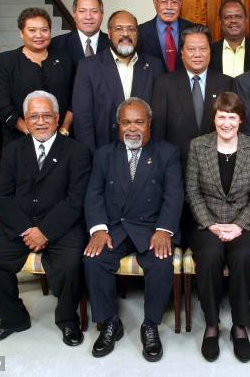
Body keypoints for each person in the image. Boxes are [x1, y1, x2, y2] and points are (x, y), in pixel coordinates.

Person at [0, 91, 91, 347]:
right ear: (25, 120)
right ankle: (13, 318)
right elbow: (4, 196)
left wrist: (46, 231)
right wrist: (27, 229)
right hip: (22, 225)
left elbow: (76, 200)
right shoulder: (13, 150)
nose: (40, 122)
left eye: (46, 116)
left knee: (70, 265)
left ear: (57, 118)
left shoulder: (77, 151)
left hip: (62, 226)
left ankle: (67, 321)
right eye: (33, 116)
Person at [83, 97, 184, 361]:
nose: (132, 128)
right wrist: (98, 229)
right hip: (115, 228)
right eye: (126, 122)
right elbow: (93, 194)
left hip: (151, 229)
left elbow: (174, 196)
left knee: (161, 263)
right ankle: (109, 323)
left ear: (149, 124)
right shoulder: (104, 154)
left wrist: (164, 230)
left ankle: (150, 325)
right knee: (93, 260)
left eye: (139, 122)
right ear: (117, 125)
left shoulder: (167, 153)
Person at [186, 92, 250, 363]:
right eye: (222, 117)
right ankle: (212, 324)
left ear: (240, 119)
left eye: (232, 117)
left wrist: (239, 226)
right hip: (206, 223)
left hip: (244, 224)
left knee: (243, 256)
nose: (226, 123)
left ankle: (239, 326)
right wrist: (210, 224)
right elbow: (193, 192)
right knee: (209, 256)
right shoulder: (198, 146)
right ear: (214, 118)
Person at [72, 10, 163, 151]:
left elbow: (159, 117)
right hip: (104, 154)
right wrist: (90, 158)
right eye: (119, 29)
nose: (125, 34)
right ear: (109, 33)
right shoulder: (88, 67)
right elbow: (83, 120)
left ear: (137, 33)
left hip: (146, 154)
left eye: (131, 29)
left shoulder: (154, 66)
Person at [0, 7, 75, 144]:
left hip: (60, 139)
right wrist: (30, 131)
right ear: (21, 33)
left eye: (44, 30)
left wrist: (64, 129)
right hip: (20, 139)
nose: (39, 35)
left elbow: (74, 99)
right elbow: (1, 104)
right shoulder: (6, 61)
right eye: (32, 30)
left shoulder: (65, 60)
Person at [151, 24, 233, 164]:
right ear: (182, 52)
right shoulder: (164, 84)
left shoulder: (226, 83)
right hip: (176, 165)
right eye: (191, 49)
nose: (197, 54)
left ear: (210, 51)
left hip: (216, 166)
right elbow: (158, 133)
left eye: (203, 49)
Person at [137, 0, 193, 72]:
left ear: (180, 4)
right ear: (155, 3)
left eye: (174, 2)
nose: (169, 7)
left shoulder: (193, 30)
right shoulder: (141, 32)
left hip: (185, 85)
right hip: (153, 85)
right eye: (164, 1)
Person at [49, 0, 109, 64]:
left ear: (102, 14)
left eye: (94, 11)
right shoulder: (56, 44)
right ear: (74, 15)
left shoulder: (113, 44)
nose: (88, 17)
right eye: (82, 11)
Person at [209, 0, 250, 77]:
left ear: (246, 20)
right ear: (220, 22)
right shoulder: (210, 51)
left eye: (238, 16)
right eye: (228, 17)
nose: (233, 20)